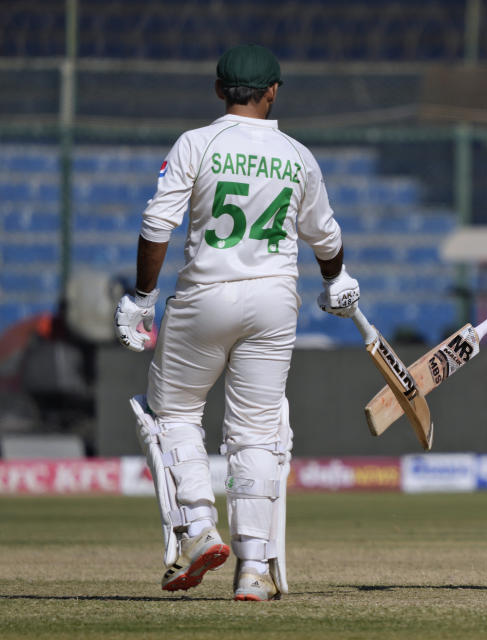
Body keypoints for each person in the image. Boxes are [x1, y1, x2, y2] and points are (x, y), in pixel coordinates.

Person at [113, 44, 359, 601]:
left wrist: (143, 298)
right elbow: (327, 237)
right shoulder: (298, 154)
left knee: (172, 410)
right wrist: (334, 280)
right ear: (273, 91)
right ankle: (252, 570)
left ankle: (200, 530)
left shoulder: (198, 143)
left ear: (219, 90)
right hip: (275, 301)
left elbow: (157, 225)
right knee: (256, 430)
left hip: (207, 294)